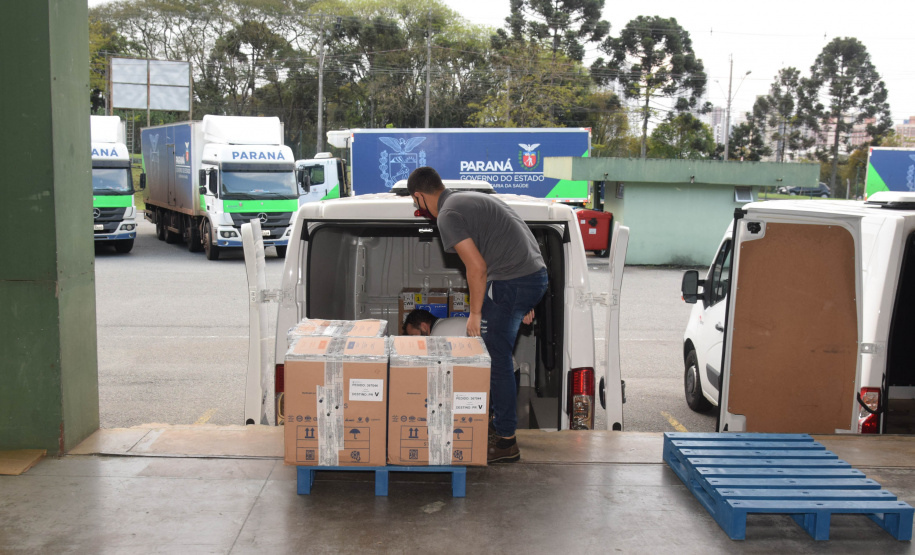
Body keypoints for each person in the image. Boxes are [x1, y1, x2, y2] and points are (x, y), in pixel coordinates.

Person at [407, 167, 548, 463]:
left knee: (493, 355)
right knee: (497, 352)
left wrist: (475, 313)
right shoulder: (470, 199)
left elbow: (477, 268)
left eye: (414, 201)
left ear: (419, 195)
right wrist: (524, 298)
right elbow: (517, 238)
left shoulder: (447, 215)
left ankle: (506, 440)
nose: (417, 207)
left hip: (513, 282)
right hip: (533, 276)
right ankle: (499, 426)